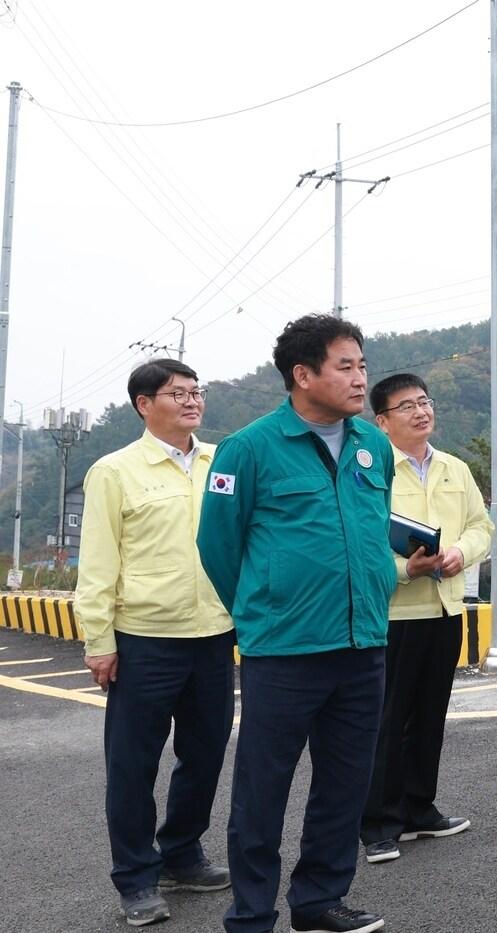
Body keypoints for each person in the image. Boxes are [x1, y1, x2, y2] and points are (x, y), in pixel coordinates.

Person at [198, 315, 397, 933]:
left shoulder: (373, 445)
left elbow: (374, 530)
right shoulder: (249, 449)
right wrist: (267, 607)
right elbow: (218, 546)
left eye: (362, 364)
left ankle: (318, 901)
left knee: (343, 786)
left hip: (363, 644)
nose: (360, 376)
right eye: (346, 365)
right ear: (302, 374)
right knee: (263, 790)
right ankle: (252, 913)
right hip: (283, 652)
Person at [75, 359, 235, 927]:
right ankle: (137, 878)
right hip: (144, 639)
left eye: (197, 392)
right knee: (133, 764)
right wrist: (99, 640)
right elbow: (97, 563)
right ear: (145, 404)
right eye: (178, 393)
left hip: (215, 635)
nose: (192, 401)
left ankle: (183, 854)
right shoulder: (115, 472)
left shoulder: (223, 463)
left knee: (207, 752)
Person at [359, 373, 493, 864]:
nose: (420, 412)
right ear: (382, 421)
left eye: (424, 402)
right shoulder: (370, 471)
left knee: (430, 714)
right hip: (394, 612)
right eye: (406, 406)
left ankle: (419, 808)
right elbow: (359, 541)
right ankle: (377, 823)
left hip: (445, 608)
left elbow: (483, 526)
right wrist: (402, 569)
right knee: (385, 720)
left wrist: (462, 551)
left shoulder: (454, 469)